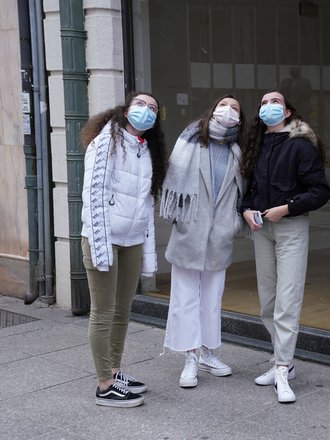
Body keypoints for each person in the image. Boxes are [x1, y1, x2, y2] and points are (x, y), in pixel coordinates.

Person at [240, 90, 330, 403]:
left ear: (288, 111)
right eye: (263, 103)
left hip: (290, 227)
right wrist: (246, 209)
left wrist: (287, 208)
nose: (268, 107)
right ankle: (285, 362)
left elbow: (320, 191)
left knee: (287, 301)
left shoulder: (300, 146)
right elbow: (249, 190)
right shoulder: (257, 145)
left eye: (275, 102)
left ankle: (281, 367)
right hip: (262, 229)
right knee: (268, 300)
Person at [80, 92, 167, 407]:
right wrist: (101, 249)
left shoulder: (146, 151)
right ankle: (104, 385)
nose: (146, 111)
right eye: (141, 105)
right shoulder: (106, 142)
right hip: (103, 239)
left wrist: (148, 251)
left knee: (122, 310)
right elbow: (94, 195)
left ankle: (114, 371)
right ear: (126, 109)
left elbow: (146, 205)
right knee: (103, 312)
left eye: (153, 108)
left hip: (131, 241)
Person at [161, 95, 246, 388]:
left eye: (235, 108)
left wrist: (233, 225)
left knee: (211, 301)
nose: (229, 111)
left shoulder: (238, 151)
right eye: (224, 105)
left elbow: (241, 195)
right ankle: (190, 356)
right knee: (185, 299)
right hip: (189, 234)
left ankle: (209, 352)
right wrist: (181, 220)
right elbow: (172, 184)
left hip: (220, 238)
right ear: (212, 110)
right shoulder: (191, 143)